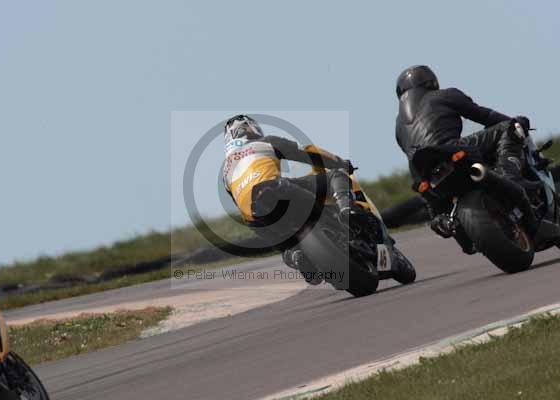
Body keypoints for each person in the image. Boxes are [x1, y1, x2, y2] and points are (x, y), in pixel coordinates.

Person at [394, 65, 537, 249]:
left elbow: (411, 157)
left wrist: (435, 211)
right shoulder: (445, 95)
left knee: (434, 207)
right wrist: (516, 122)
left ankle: (452, 227)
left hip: (423, 172)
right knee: (507, 128)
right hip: (453, 150)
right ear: (430, 82)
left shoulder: (398, 126)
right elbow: (485, 116)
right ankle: (510, 175)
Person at [222, 115, 371, 284]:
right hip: (276, 189)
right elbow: (308, 153)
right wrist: (340, 162)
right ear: (248, 129)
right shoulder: (265, 142)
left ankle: (296, 256)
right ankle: (346, 208)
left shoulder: (225, 173)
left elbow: (239, 202)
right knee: (336, 175)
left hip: (254, 218)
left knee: (287, 247)